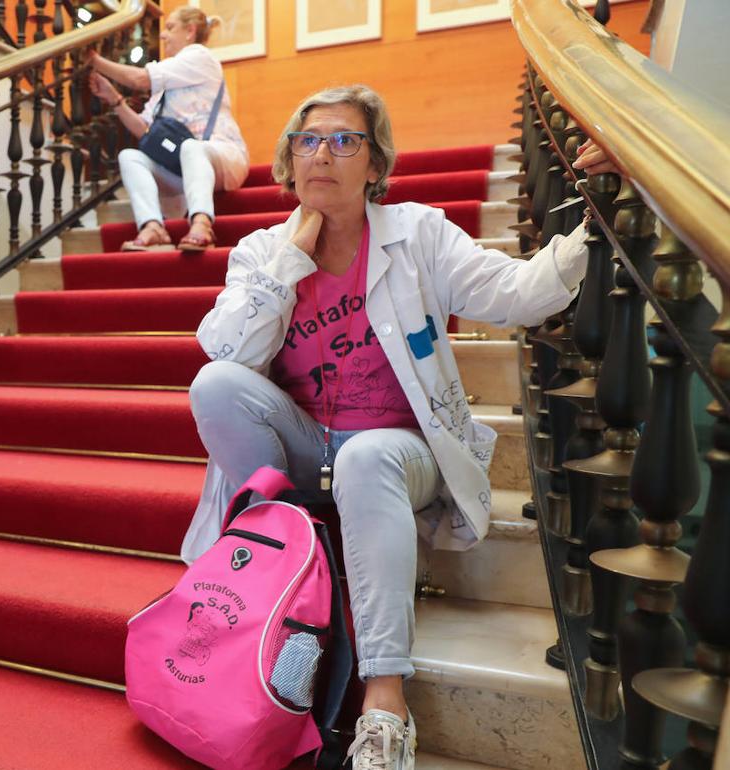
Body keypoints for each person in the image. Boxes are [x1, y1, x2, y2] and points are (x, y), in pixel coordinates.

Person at [183, 85, 615, 769]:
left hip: (397, 449)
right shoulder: (262, 250)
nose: (323, 152)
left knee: (367, 460)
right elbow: (226, 351)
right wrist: (292, 258)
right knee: (215, 386)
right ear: (289, 162)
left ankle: (384, 702)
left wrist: (600, 210)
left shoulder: (418, 234)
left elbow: (520, 294)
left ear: (375, 165)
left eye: (344, 139)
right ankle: (281, 560)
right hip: (301, 443)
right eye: (308, 139)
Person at [86, 5, 249, 252]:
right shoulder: (167, 80)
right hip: (183, 168)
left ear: (190, 31)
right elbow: (144, 130)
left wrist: (95, 61)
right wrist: (114, 98)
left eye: (170, 27)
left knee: (191, 148)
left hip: (224, 157)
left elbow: (139, 79)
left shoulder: (199, 56)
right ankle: (153, 227)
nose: (162, 35)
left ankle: (202, 223)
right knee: (130, 156)